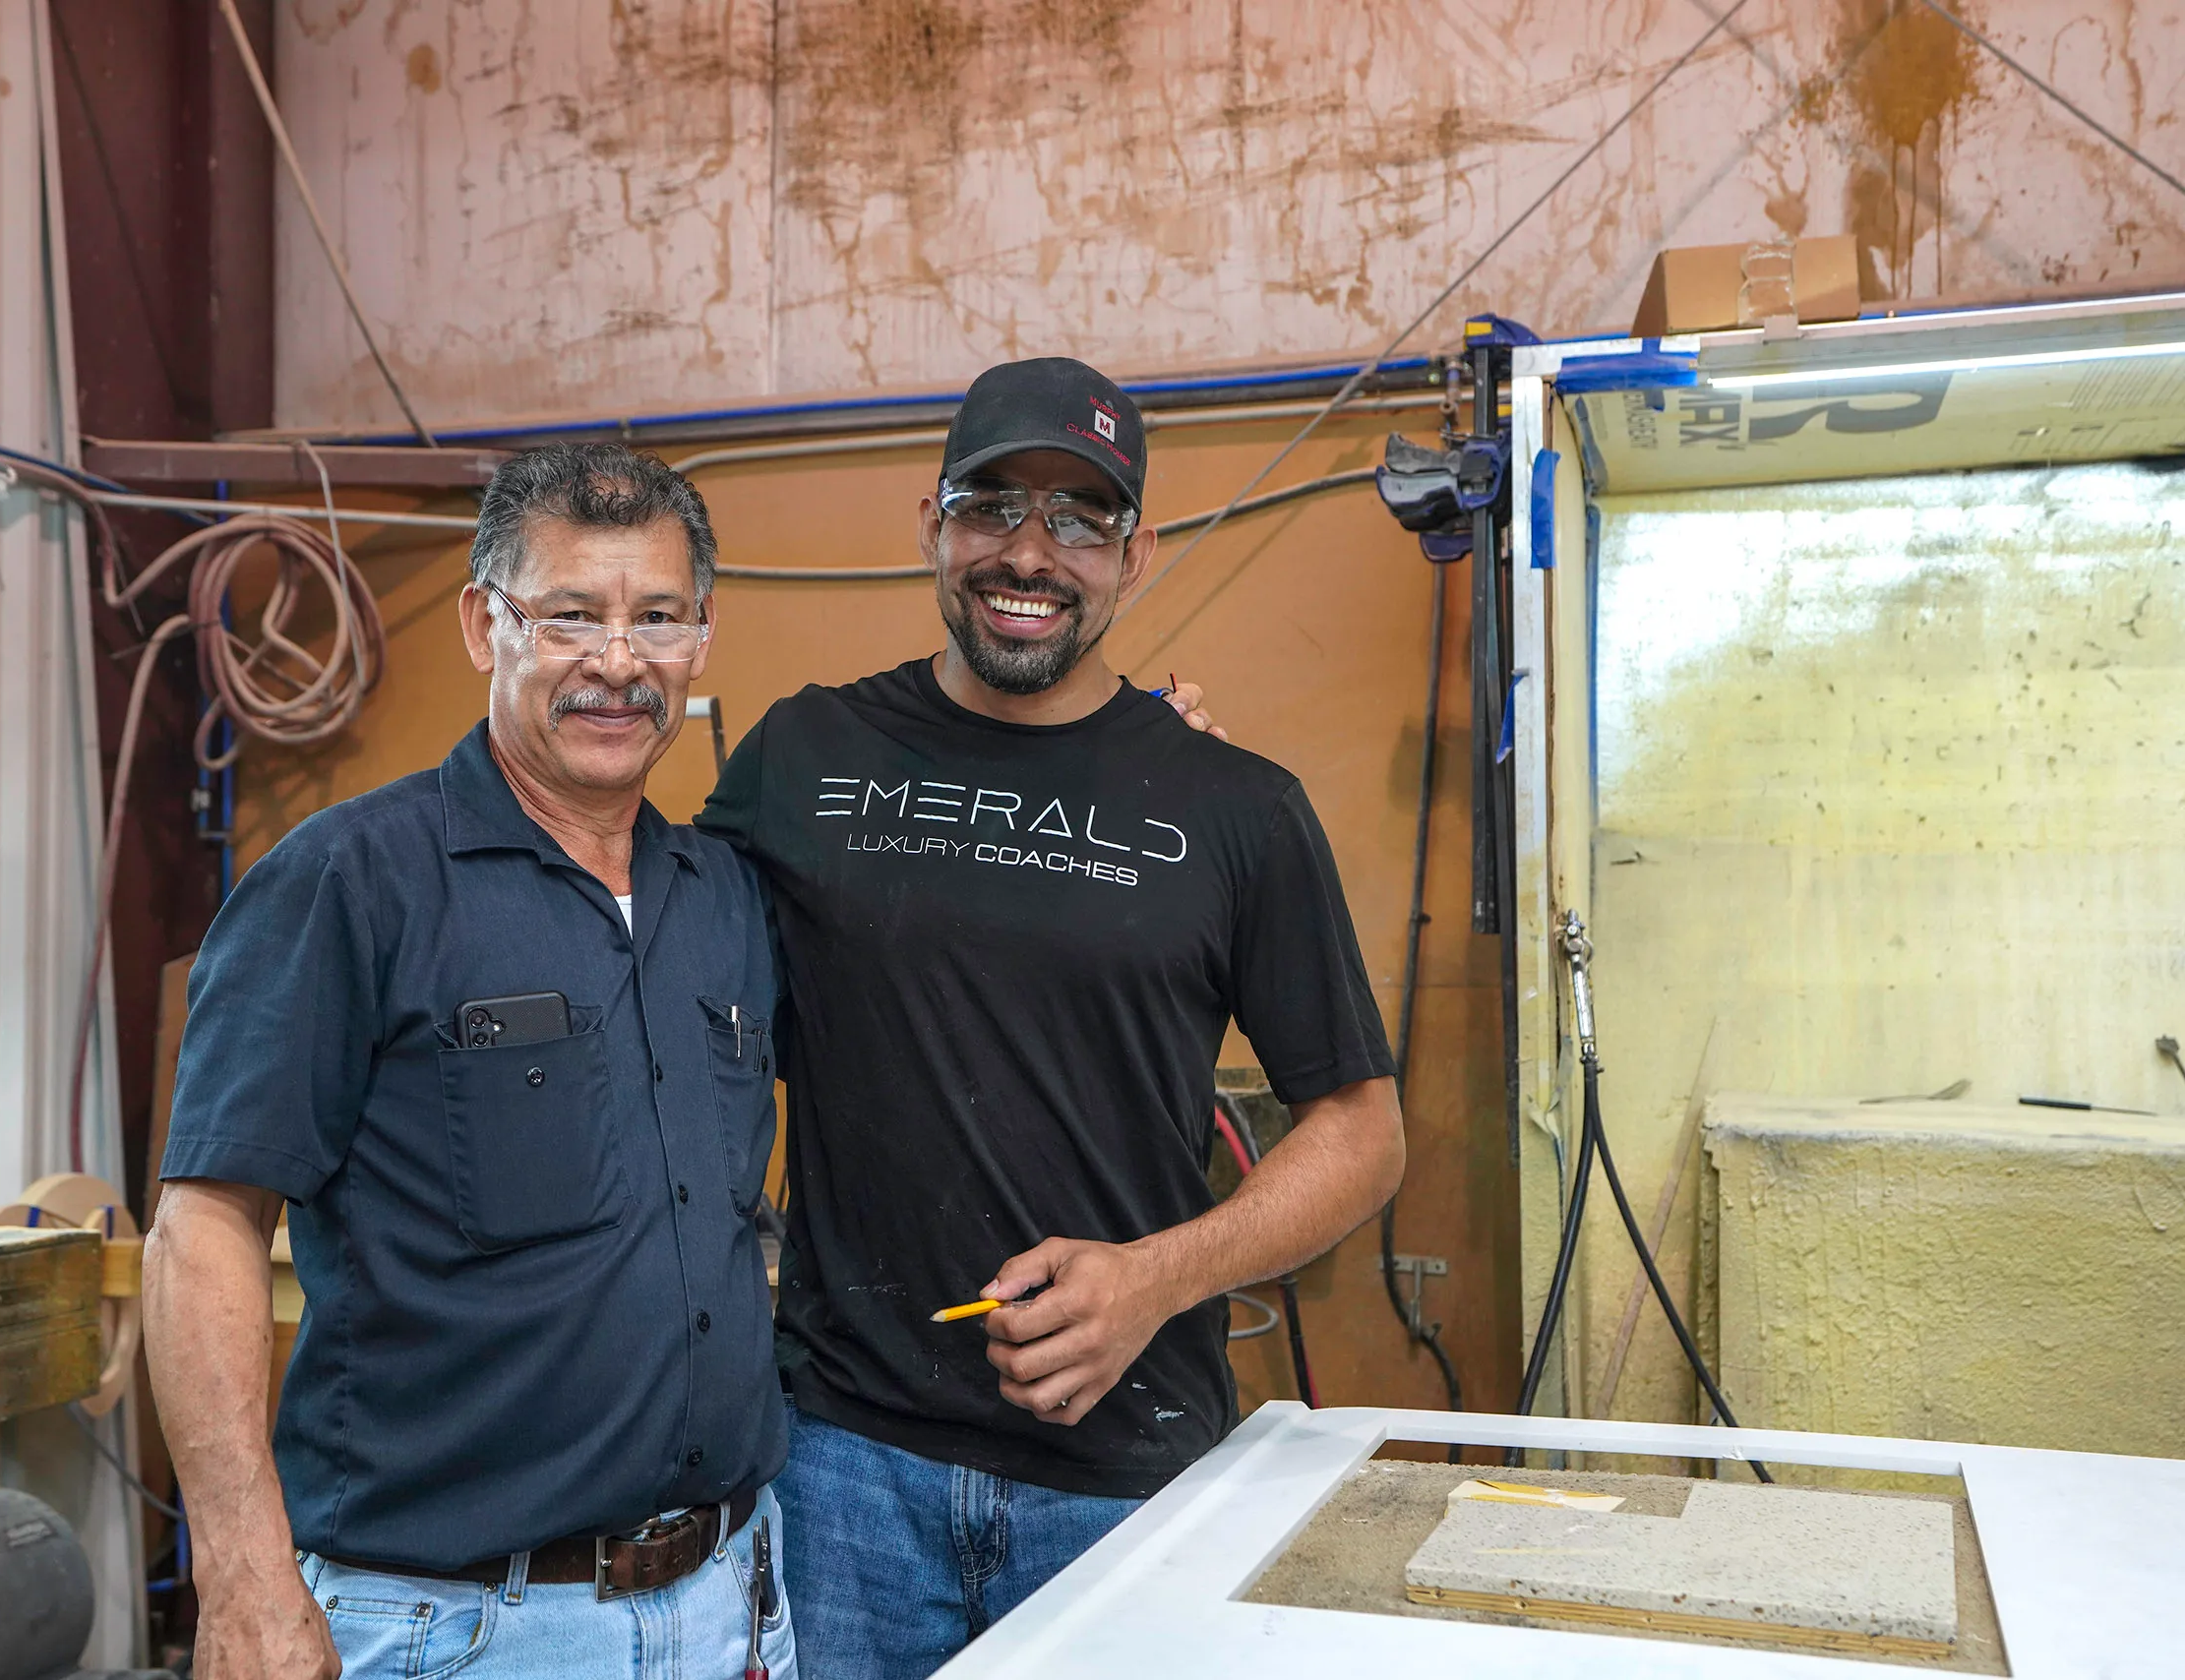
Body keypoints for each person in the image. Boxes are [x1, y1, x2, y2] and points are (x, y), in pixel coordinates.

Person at [694, 357, 1407, 1679]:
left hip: (1126, 1479)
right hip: (846, 1469)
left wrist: (1159, 1278)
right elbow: (663, 990)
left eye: (1081, 519)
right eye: (993, 505)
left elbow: (1365, 1133)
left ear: (1136, 556)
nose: (1030, 553)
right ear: (932, 524)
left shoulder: (1235, 808)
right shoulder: (802, 758)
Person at [145, 445, 796, 1680]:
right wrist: (241, 1576)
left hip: (730, 1601)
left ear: (702, 637)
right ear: (480, 624)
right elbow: (203, 1230)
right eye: (568, 616)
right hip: (459, 1629)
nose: (618, 660)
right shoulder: (350, 883)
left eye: (656, 616)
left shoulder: (723, 901)